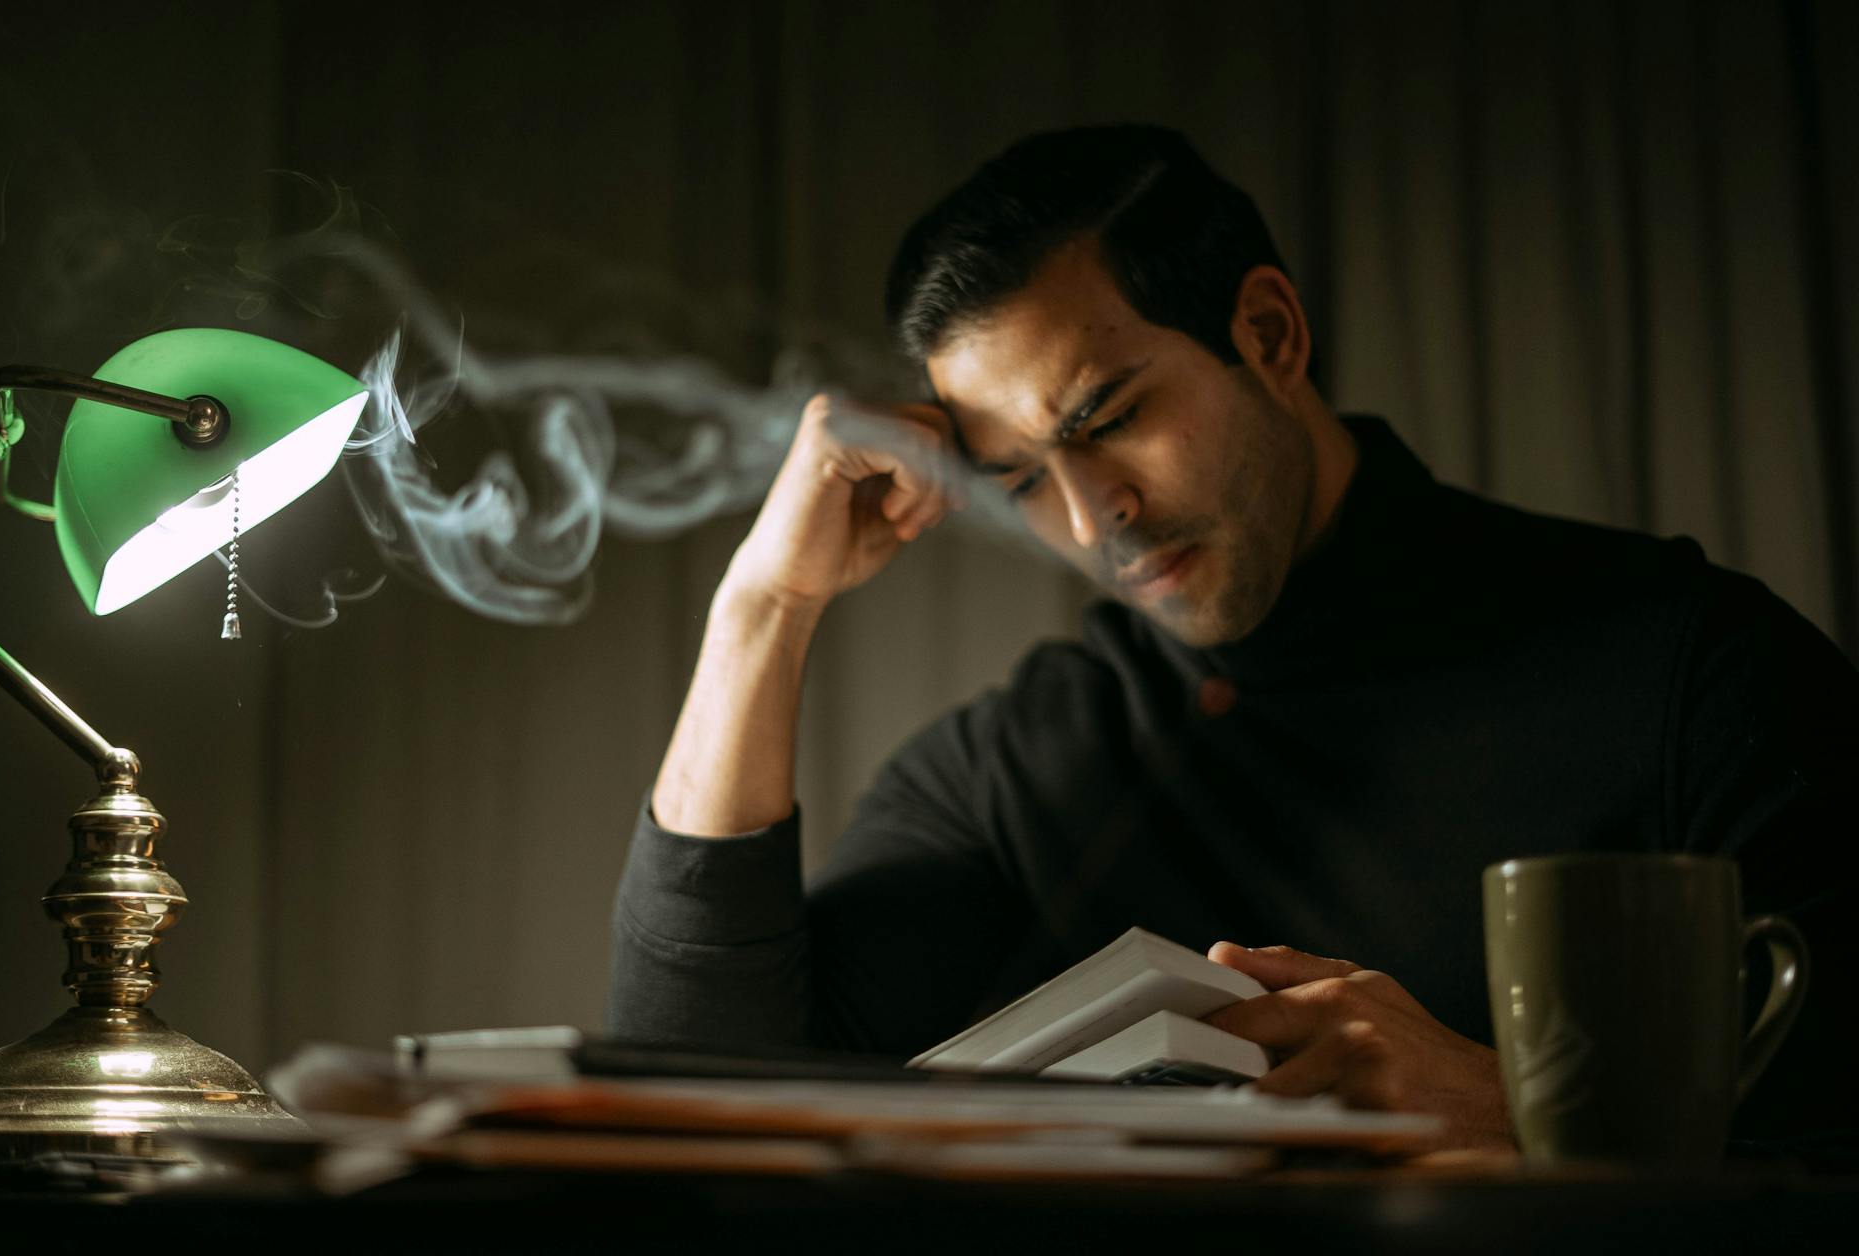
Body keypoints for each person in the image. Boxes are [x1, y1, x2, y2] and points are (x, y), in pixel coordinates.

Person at [607, 125, 1857, 1154]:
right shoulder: (1019, 765)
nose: (1093, 518)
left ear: (1268, 333)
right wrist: (760, 612)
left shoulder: (1687, 662)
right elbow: (694, 1102)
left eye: (1109, 417)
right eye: (1019, 480)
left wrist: (1519, 1113)